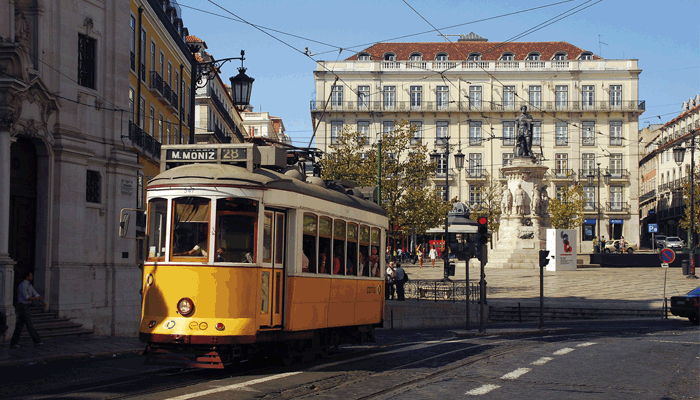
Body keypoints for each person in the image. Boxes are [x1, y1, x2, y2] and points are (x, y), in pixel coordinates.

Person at [10, 272, 43, 348]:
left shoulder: (29, 285)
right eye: (31, 275)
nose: (32, 277)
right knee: (29, 323)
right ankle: (37, 340)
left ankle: (13, 342)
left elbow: (35, 293)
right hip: (23, 306)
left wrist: (42, 301)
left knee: (20, 325)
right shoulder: (23, 285)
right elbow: (26, 297)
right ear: (27, 277)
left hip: (27, 306)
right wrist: (35, 298)